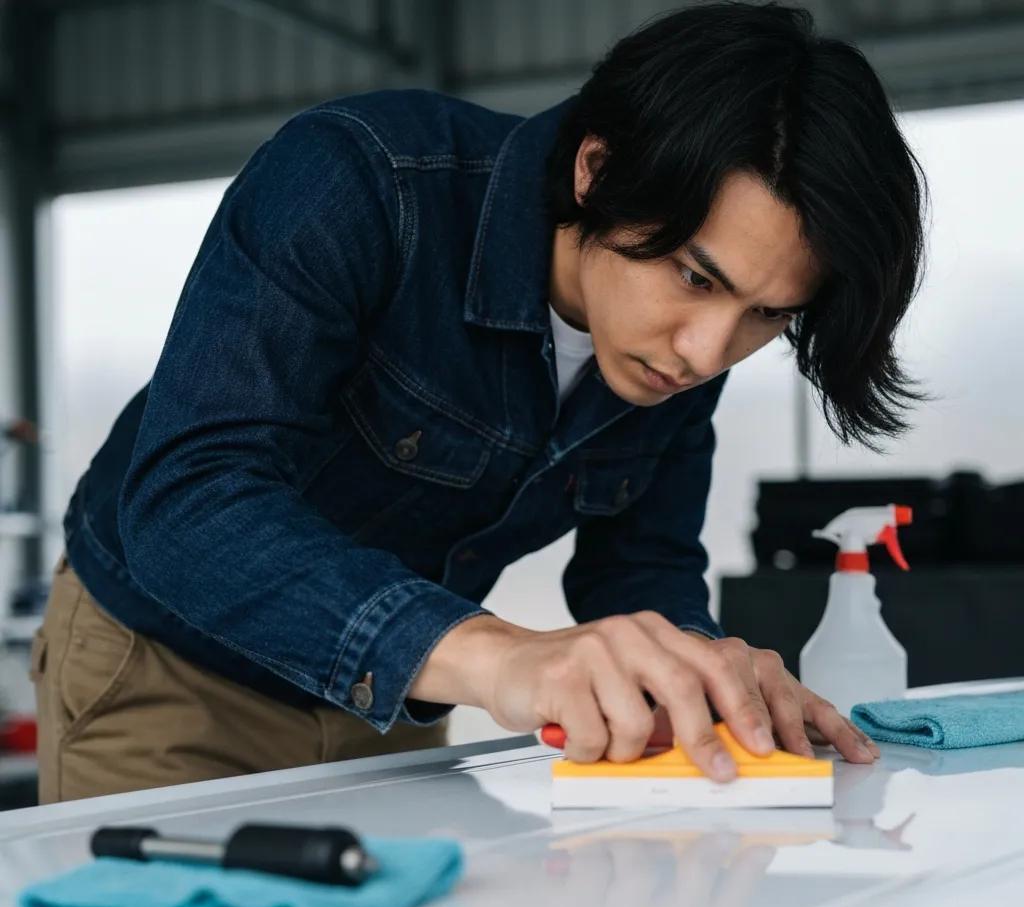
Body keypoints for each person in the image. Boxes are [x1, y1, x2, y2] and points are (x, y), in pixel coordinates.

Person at [32, 3, 925, 802]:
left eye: (768, 315)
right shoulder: (360, 181)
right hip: (162, 676)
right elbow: (188, 502)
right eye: (696, 276)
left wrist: (701, 672)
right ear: (596, 168)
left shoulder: (681, 340)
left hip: (391, 707)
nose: (708, 351)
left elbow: (638, 568)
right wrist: (504, 656)